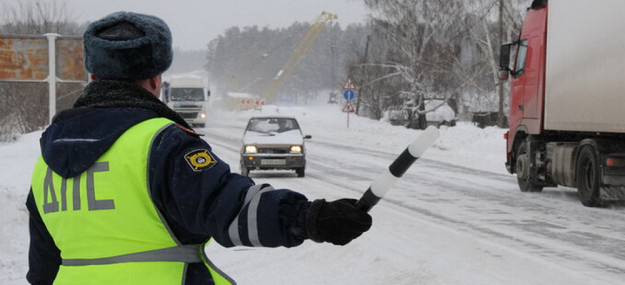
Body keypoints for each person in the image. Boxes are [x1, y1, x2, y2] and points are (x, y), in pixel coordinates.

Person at [26, 11, 372, 284]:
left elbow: (42, 269)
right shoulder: (162, 143)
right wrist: (311, 218)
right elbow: (232, 210)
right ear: (155, 81)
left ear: (93, 78)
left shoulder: (46, 162)